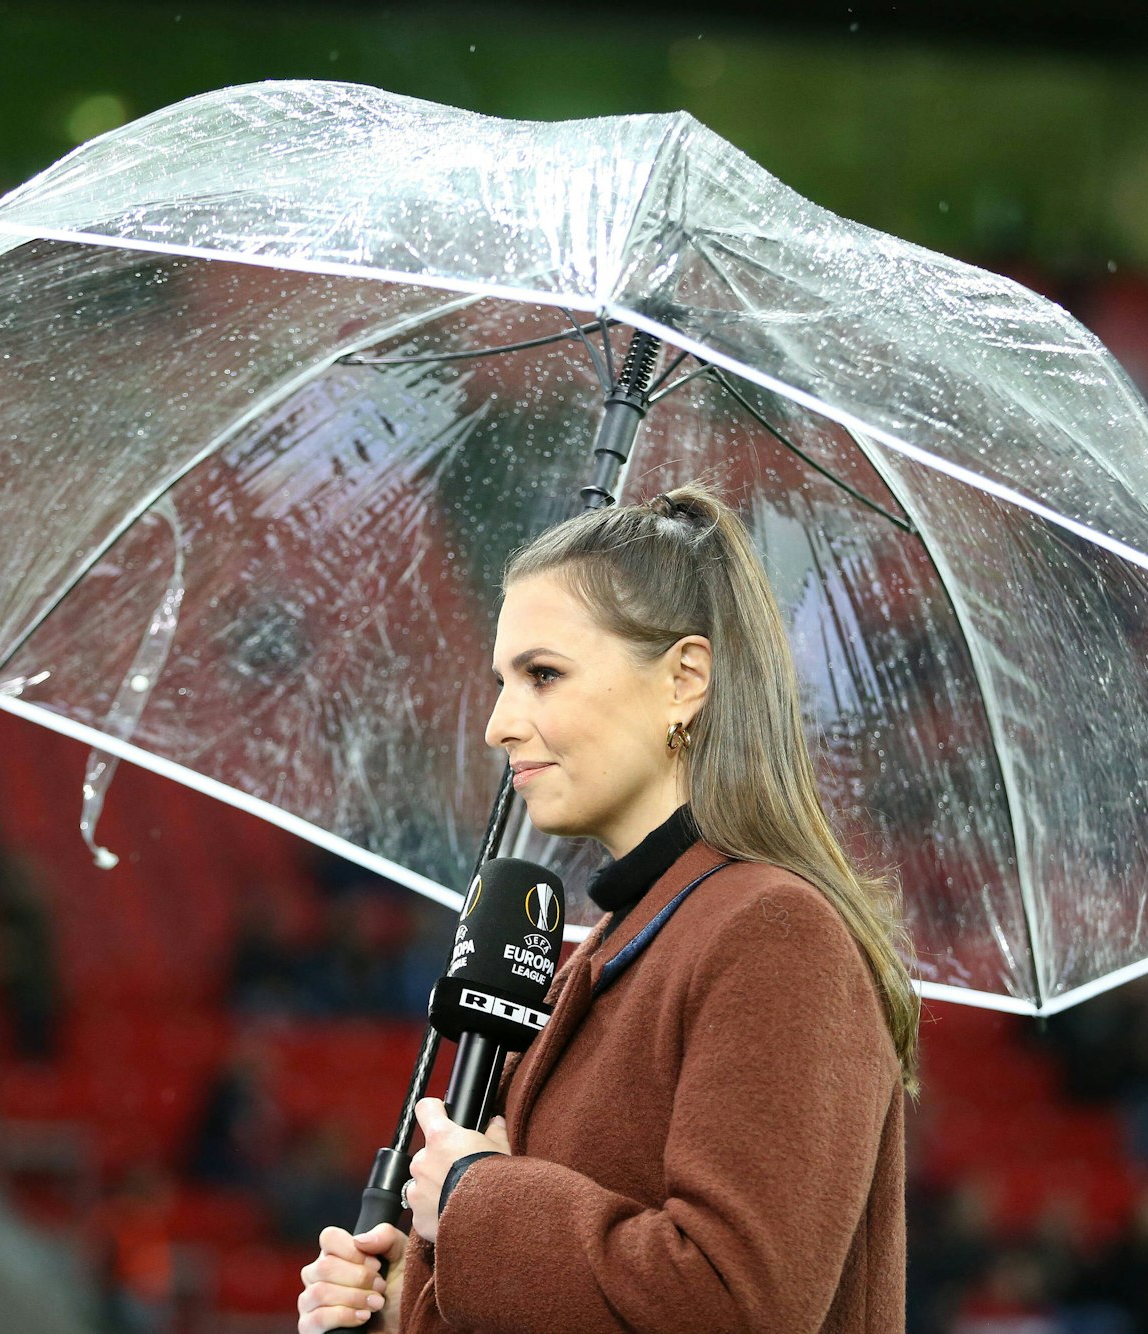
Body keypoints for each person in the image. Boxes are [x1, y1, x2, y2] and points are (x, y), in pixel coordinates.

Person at [297, 480, 922, 1332]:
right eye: (502, 680)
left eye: (543, 675)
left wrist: (478, 1197)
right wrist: (412, 1298)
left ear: (684, 678)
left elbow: (735, 1306)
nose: (499, 724)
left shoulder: (776, 933)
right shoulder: (604, 950)